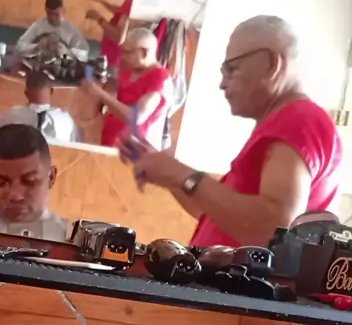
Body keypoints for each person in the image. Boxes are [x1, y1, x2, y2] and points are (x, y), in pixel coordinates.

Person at [119, 15, 343, 248]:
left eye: (231, 69)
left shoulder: (299, 119)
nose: (222, 83)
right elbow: (216, 213)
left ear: (272, 64)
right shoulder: (284, 122)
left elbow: (272, 229)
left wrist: (181, 174)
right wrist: (164, 169)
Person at [81, 27, 172, 149]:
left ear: (144, 52)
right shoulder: (130, 68)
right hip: (111, 142)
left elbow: (136, 117)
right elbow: (118, 90)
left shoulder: (160, 78)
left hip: (133, 151)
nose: (123, 56)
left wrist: (101, 94)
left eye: (128, 52)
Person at [0, 124, 67, 240]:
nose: (15, 196)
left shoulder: (72, 242)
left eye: (29, 181)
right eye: (1, 183)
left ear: (51, 178)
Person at [0, 71, 79, 143]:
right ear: (51, 91)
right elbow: (74, 146)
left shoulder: (11, 116)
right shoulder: (66, 119)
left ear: (26, 94)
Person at [86, 0, 138, 70]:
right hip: (111, 54)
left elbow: (119, 38)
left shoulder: (130, 4)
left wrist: (99, 19)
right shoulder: (129, 3)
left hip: (115, 58)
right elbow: (117, 10)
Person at [15, 0, 88, 60]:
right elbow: (19, 47)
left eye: (56, 15)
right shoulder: (38, 26)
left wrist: (66, 51)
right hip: (38, 64)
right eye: (49, 14)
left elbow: (83, 53)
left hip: (63, 67)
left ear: (63, 11)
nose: (53, 18)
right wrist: (36, 47)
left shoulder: (71, 30)